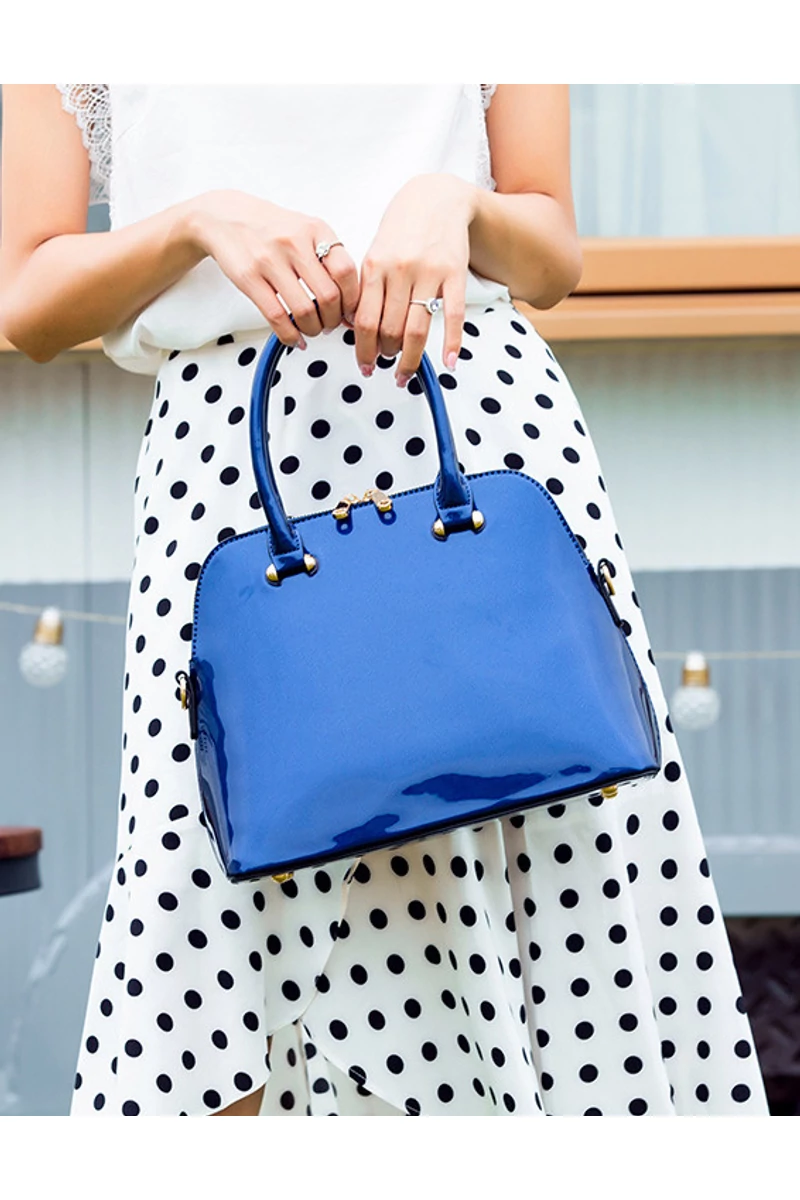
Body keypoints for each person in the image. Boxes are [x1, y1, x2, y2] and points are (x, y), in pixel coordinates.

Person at [0, 83, 768, 1117]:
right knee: (207, 902)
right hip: (229, 479)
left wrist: (455, 201)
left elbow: (550, 254)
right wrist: (193, 225)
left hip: (475, 435)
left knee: (550, 865)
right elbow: (29, 298)